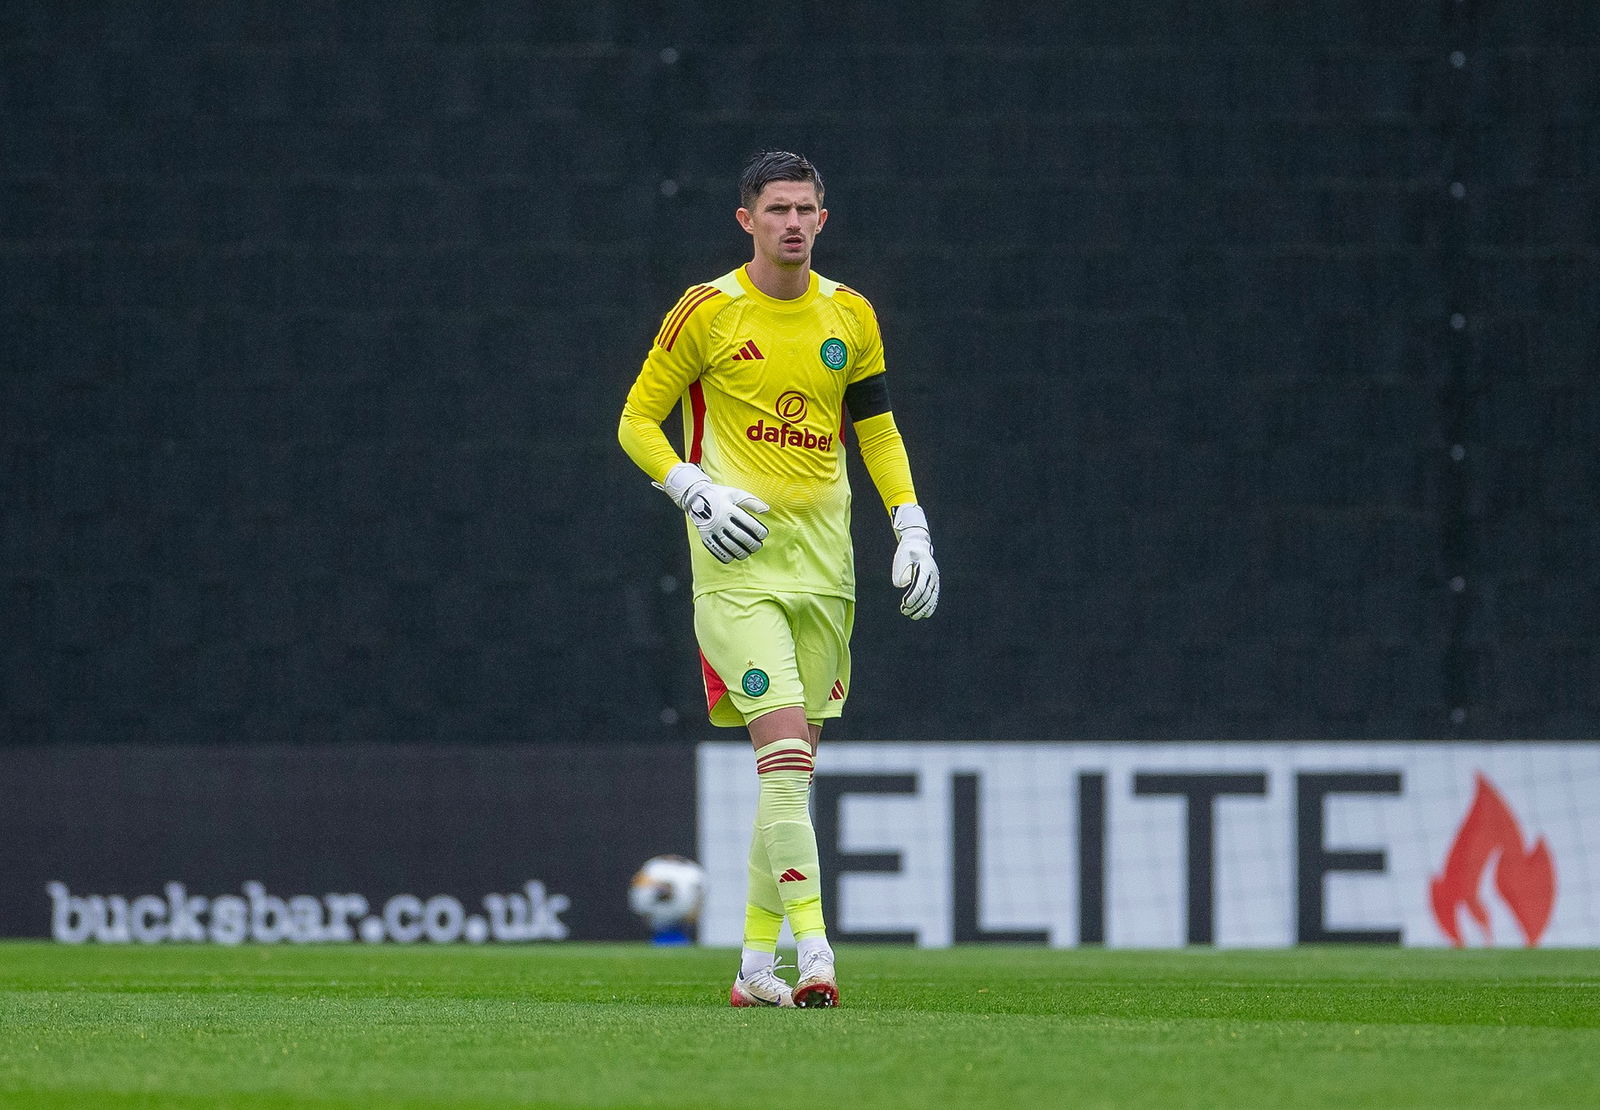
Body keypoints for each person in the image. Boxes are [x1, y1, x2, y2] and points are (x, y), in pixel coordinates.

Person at [617, 151, 939, 1009]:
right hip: (738, 569)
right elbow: (637, 420)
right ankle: (817, 953)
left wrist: (910, 522)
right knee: (788, 757)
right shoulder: (707, 312)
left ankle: (755, 969)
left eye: (805, 210)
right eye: (777, 209)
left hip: (828, 570)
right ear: (747, 220)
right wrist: (692, 489)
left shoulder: (851, 315)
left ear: (822, 220)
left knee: (787, 777)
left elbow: (876, 431)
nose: (792, 222)